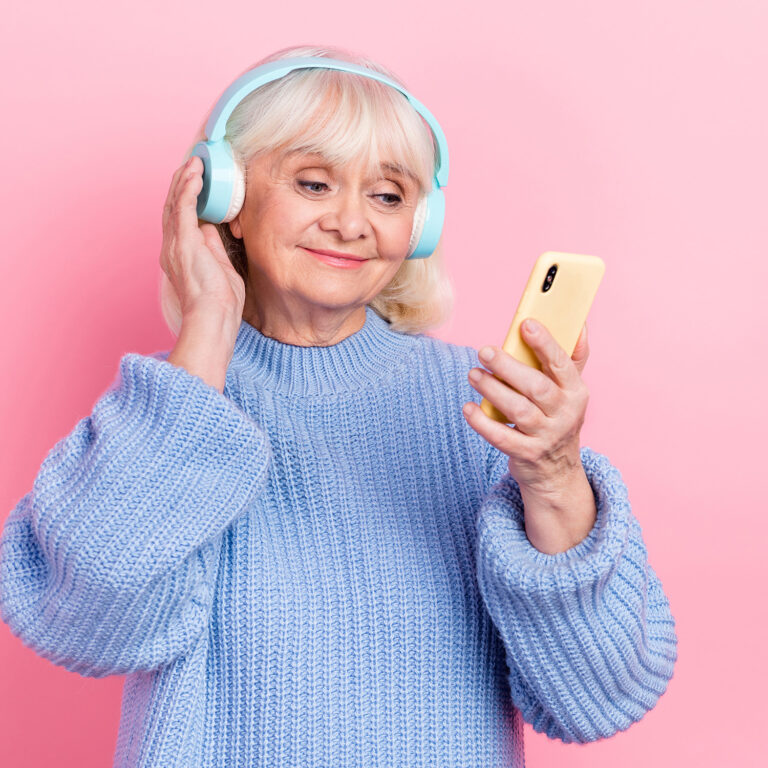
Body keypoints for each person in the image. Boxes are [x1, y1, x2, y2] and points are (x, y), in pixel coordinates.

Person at [0, 44, 677, 768]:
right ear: (226, 198)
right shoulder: (171, 411)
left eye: (388, 196)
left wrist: (552, 476)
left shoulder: (489, 410)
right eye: (315, 183)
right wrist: (204, 336)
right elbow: (81, 624)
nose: (352, 223)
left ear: (421, 225)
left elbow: (602, 695)